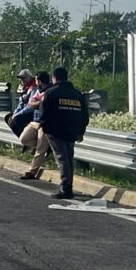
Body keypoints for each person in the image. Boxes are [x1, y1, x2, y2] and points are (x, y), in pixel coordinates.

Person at [38, 66, 90, 199]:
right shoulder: (77, 94)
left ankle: (66, 188)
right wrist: (81, 131)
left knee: (62, 158)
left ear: (54, 78)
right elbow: (85, 116)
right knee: (68, 158)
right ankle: (68, 185)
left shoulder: (51, 93)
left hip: (55, 131)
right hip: (72, 131)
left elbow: (44, 113)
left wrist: (44, 127)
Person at [18, 71, 52, 180]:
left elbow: (45, 104)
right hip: (35, 121)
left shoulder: (51, 91)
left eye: (36, 80)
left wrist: (38, 103)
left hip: (45, 123)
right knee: (24, 139)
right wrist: (39, 103)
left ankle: (31, 172)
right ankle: (45, 148)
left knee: (40, 149)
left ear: (40, 81)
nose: (35, 82)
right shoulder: (38, 90)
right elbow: (31, 103)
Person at [7, 69, 39, 139]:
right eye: (20, 78)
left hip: (32, 113)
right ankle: (20, 139)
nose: (22, 80)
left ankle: (26, 139)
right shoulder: (24, 88)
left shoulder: (34, 87)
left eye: (24, 78)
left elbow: (30, 107)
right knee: (9, 117)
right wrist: (14, 115)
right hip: (24, 112)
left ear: (30, 77)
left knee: (18, 119)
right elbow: (20, 104)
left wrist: (17, 115)